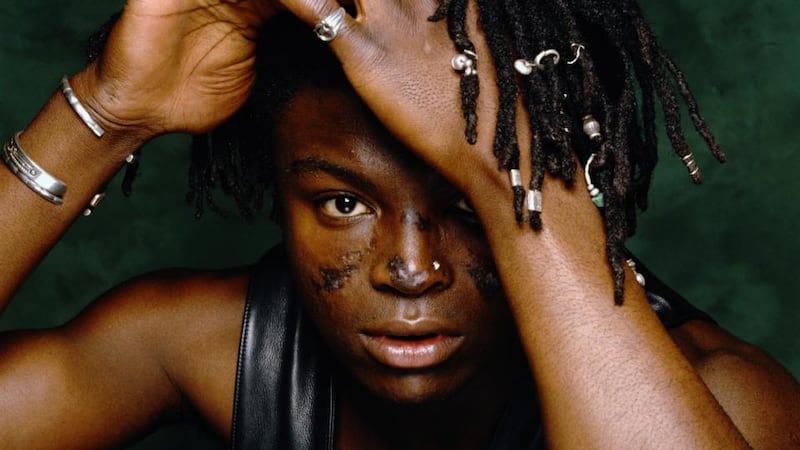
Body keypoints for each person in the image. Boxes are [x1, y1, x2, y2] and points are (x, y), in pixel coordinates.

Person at [1, 0, 798, 448]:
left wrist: (507, 174)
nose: (411, 269)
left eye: (465, 206)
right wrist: (103, 114)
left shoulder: (722, 401)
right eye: (343, 204)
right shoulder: (209, 345)